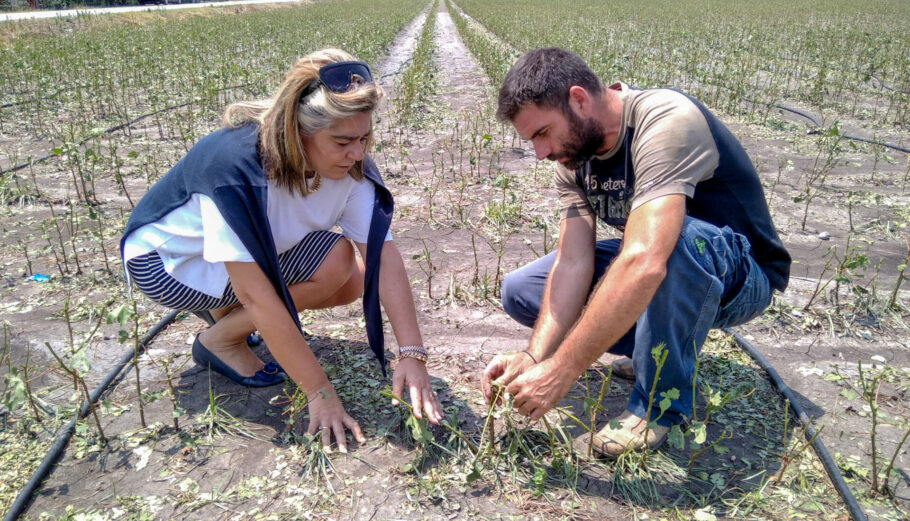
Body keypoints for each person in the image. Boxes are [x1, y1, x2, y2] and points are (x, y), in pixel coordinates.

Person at [121, 49, 443, 453]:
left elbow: (385, 260)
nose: (358, 153)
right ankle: (221, 340)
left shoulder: (352, 170)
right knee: (294, 283)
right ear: (297, 132)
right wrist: (320, 392)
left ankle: (228, 320)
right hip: (169, 265)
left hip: (241, 256)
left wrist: (412, 354)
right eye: (343, 141)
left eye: (364, 138)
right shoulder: (237, 170)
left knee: (350, 273)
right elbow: (258, 294)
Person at [481, 48, 790, 456]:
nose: (542, 153)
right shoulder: (574, 159)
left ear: (578, 99)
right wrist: (535, 354)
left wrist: (563, 370)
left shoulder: (664, 120)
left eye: (542, 133)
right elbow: (574, 262)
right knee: (523, 289)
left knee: (670, 244)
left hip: (740, 274)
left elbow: (645, 261)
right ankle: (653, 348)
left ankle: (657, 407)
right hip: (665, 262)